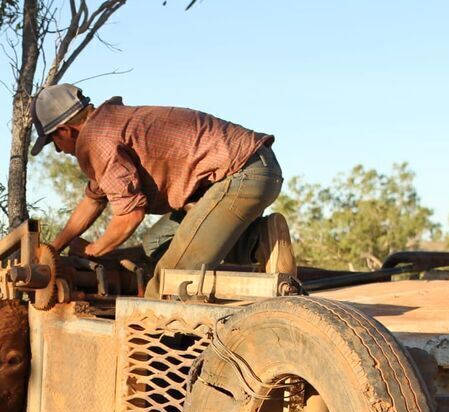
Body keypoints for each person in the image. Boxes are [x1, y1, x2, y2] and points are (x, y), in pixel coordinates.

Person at [30, 83, 295, 296]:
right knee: (155, 246)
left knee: (170, 281)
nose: (56, 149)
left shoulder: (97, 140)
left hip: (243, 174)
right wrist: (53, 248)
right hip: (253, 167)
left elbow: (130, 216)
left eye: (52, 140)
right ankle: (260, 240)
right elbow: (93, 200)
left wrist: (94, 250)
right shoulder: (106, 125)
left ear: (65, 130)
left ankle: (158, 358)